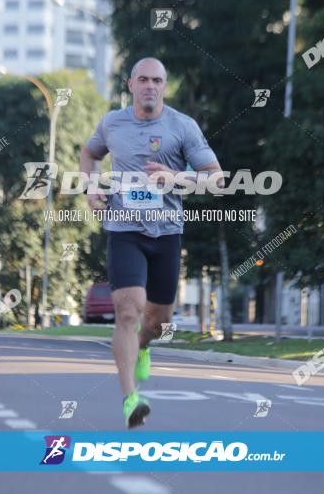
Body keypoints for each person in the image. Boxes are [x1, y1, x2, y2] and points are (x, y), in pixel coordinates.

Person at [80, 57, 221, 428]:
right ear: (130, 84)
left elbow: (216, 179)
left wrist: (174, 177)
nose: (150, 86)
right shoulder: (112, 123)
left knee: (158, 321)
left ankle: (144, 344)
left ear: (164, 86)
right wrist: (90, 187)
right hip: (124, 228)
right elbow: (89, 153)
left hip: (167, 233)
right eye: (143, 79)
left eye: (157, 80)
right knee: (128, 310)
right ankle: (131, 400)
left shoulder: (182, 127)